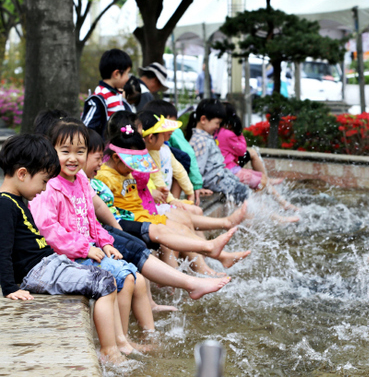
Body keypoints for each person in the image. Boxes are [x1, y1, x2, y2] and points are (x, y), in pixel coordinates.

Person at [0, 134, 130, 364]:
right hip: (37, 272)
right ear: (22, 174)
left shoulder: (19, 199)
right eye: (42, 181)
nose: (43, 189)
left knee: (106, 278)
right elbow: (2, 249)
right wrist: (10, 287)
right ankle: (109, 351)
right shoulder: (5, 204)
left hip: (48, 264)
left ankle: (118, 344)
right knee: (104, 283)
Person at [29, 119, 156, 338]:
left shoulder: (80, 179)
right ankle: (119, 341)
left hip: (88, 249)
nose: (73, 158)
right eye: (65, 151)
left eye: (80, 151)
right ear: (51, 151)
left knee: (130, 275)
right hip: (65, 257)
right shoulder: (49, 185)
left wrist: (105, 242)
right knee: (124, 277)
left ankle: (127, 338)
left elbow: (91, 220)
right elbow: (47, 229)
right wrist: (85, 249)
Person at [83, 129, 233, 307]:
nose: (100, 164)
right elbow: (103, 208)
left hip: (134, 217)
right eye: (97, 159)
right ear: (116, 158)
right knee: (157, 237)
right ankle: (208, 250)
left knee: (173, 230)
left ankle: (208, 256)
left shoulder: (121, 174)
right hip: (124, 222)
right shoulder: (103, 177)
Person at [142, 99, 209, 200]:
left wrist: (189, 191)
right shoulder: (146, 154)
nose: (173, 130)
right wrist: (172, 200)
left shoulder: (165, 149)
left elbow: (179, 170)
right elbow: (156, 179)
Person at [217, 102, 283, 190]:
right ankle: (267, 185)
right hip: (228, 168)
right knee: (260, 180)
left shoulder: (216, 130)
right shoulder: (226, 133)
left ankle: (267, 181)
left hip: (223, 166)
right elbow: (242, 150)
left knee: (252, 153)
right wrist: (239, 134)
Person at [82, 49, 132, 136]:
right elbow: (87, 129)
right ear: (116, 74)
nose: (128, 78)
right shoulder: (100, 97)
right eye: (127, 73)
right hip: (106, 148)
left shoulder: (116, 94)